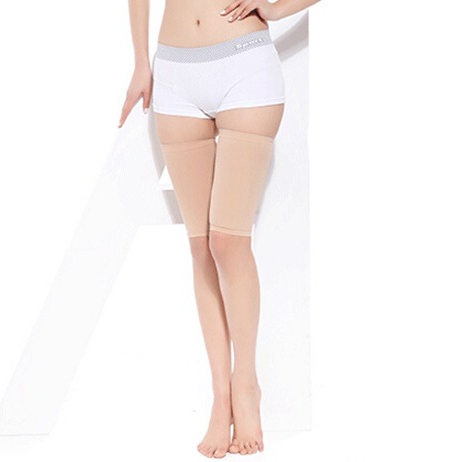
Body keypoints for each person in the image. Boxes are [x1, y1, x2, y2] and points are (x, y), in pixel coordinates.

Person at [119, 0, 321, 457]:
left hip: (244, 67)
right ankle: (221, 396)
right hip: (174, 71)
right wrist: (140, 62)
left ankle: (246, 384)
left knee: (228, 241)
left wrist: (275, 9)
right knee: (201, 246)